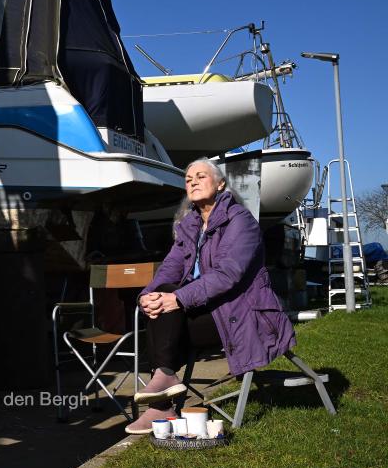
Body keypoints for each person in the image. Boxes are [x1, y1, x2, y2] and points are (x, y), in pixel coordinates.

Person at [124, 158, 296, 434]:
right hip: (207, 312)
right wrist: (147, 296)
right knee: (160, 301)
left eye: (201, 176)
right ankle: (164, 382)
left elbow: (228, 274)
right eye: (188, 179)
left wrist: (177, 299)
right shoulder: (190, 226)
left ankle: (161, 403)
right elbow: (169, 268)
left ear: (221, 184)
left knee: (169, 303)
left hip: (242, 315)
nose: (192, 182)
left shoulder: (240, 221)